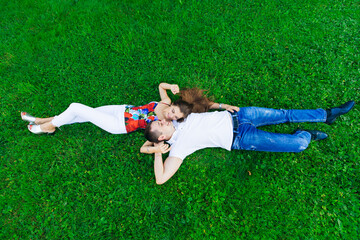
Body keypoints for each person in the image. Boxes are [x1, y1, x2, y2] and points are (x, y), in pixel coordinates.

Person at [143, 101, 355, 184]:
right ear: (162, 137)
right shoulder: (179, 147)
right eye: (160, 124)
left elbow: (200, 104)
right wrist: (157, 151)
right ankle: (305, 135)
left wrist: (220, 105)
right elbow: (161, 179)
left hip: (239, 115)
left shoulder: (178, 117)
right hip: (241, 138)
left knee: (284, 114)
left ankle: (327, 115)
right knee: (296, 146)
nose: (163, 119)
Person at [21, 83, 238, 138]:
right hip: (120, 109)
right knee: (79, 115)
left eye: (176, 117)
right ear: (172, 105)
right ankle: (42, 120)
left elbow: (202, 109)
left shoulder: (167, 125)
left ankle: (48, 127)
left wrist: (220, 107)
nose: (171, 116)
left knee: (77, 107)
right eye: (173, 111)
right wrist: (171, 85)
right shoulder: (163, 103)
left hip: (120, 125)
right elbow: (162, 86)